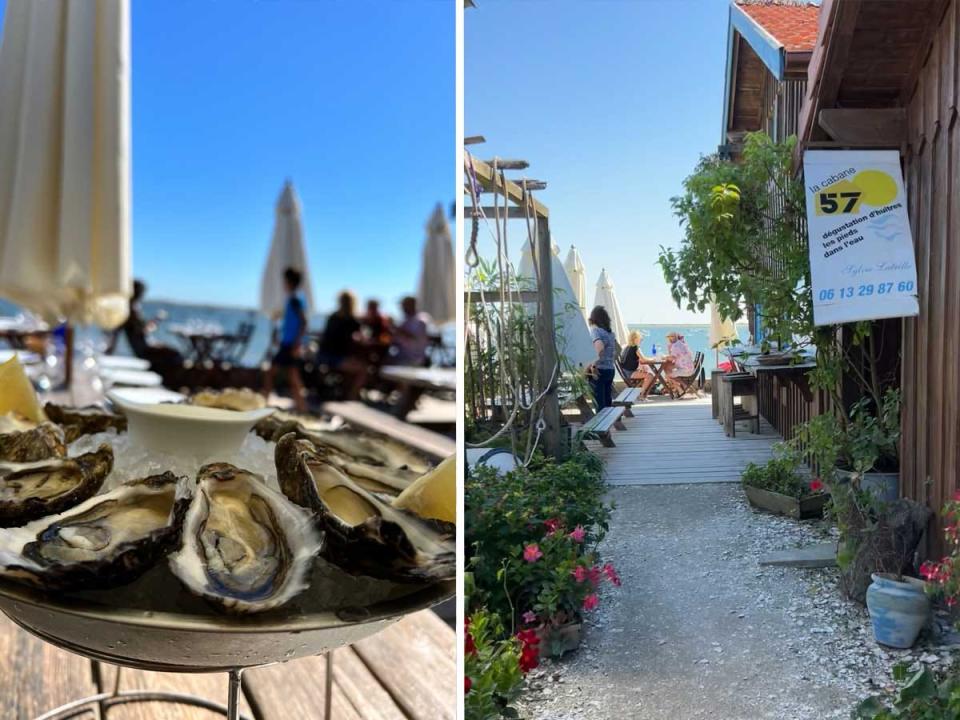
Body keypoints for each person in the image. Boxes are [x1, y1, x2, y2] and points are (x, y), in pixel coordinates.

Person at [106, 279, 182, 372]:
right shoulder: (131, 312)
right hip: (144, 351)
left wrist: (109, 349)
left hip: (144, 349)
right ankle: (170, 379)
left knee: (173, 354)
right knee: (175, 355)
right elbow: (143, 330)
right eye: (141, 292)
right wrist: (157, 319)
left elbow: (119, 332)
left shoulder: (129, 310)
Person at [262, 267, 308, 412]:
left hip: (290, 345)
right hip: (288, 343)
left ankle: (262, 403)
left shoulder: (295, 299)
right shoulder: (295, 298)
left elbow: (303, 322)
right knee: (292, 377)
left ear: (288, 281)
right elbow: (293, 322)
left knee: (271, 373)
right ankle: (302, 408)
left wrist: (296, 343)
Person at [318, 290, 367, 399]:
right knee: (363, 370)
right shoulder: (352, 320)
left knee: (351, 365)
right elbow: (362, 339)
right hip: (335, 358)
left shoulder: (333, 317)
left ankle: (345, 393)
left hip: (322, 355)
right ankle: (351, 397)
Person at [586, 305, 616, 410]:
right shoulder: (611, 334)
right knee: (607, 401)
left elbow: (599, 347)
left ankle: (601, 426)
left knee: (599, 404)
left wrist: (593, 365)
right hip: (610, 369)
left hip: (599, 370)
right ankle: (608, 424)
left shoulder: (596, 331)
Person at [391, 296, 430, 366]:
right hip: (401, 357)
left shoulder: (421, 318)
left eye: (404, 305)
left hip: (414, 360)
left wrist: (396, 328)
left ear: (412, 305)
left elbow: (413, 336)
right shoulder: (404, 320)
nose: (402, 308)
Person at [621, 329, 658, 400]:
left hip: (626, 372)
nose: (641, 340)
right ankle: (641, 394)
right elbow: (643, 359)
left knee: (648, 374)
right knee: (650, 376)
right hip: (630, 373)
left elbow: (640, 359)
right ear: (635, 339)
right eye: (640, 338)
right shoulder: (635, 347)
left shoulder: (628, 347)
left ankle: (641, 393)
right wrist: (654, 359)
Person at [663, 330, 695, 395]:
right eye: (668, 337)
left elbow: (672, 358)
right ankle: (684, 385)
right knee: (667, 368)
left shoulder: (675, 346)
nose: (669, 339)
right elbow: (675, 357)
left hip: (686, 370)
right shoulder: (681, 343)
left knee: (667, 376)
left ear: (675, 337)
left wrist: (664, 357)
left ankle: (680, 390)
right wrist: (669, 351)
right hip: (689, 367)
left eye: (670, 337)